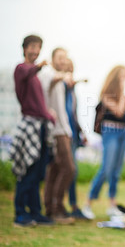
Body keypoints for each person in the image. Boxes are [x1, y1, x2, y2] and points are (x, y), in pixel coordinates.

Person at [9, 35, 55, 227]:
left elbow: (39, 104)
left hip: (42, 125)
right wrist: (39, 66)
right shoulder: (22, 69)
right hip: (30, 126)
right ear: (25, 48)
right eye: (33, 47)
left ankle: (35, 212)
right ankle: (20, 213)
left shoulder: (35, 76)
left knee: (37, 173)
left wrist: (49, 115)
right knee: (27, 171)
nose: (35, 51)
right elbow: (28, 72)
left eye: (38, 47)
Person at [82, 65, 125, 219]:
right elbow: (118, 110)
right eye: (122, 76)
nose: (124, 79)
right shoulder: (106, 95)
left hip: (124, 132)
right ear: (115, 77)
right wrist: (122, 93)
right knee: (106, 168)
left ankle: (112, 205)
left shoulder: (123, 97)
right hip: (110, 132)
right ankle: (88, 203)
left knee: (116, 171)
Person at [40, 47, 76, 224]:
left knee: (54, 170)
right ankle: (57, 209)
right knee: (69, 169)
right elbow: (51, 80)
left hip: (63, 130)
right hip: (56, 131)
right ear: (52, 58)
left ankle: (50, 208)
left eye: (65, 57)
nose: (63, 60)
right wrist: (64, 76)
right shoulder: (49, 73)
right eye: (60, 57)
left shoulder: (59, 77)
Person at [64, 58, 89, 219]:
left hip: (72, 135)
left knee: (71, 170)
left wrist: (81, 132)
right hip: (63, 134)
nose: (70, 74)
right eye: (67, 70)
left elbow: (73, 115)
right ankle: (61, 205)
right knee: (69, 170)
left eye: (71, 70)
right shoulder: (64, 88)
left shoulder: (72, 92)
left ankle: (72, 205)